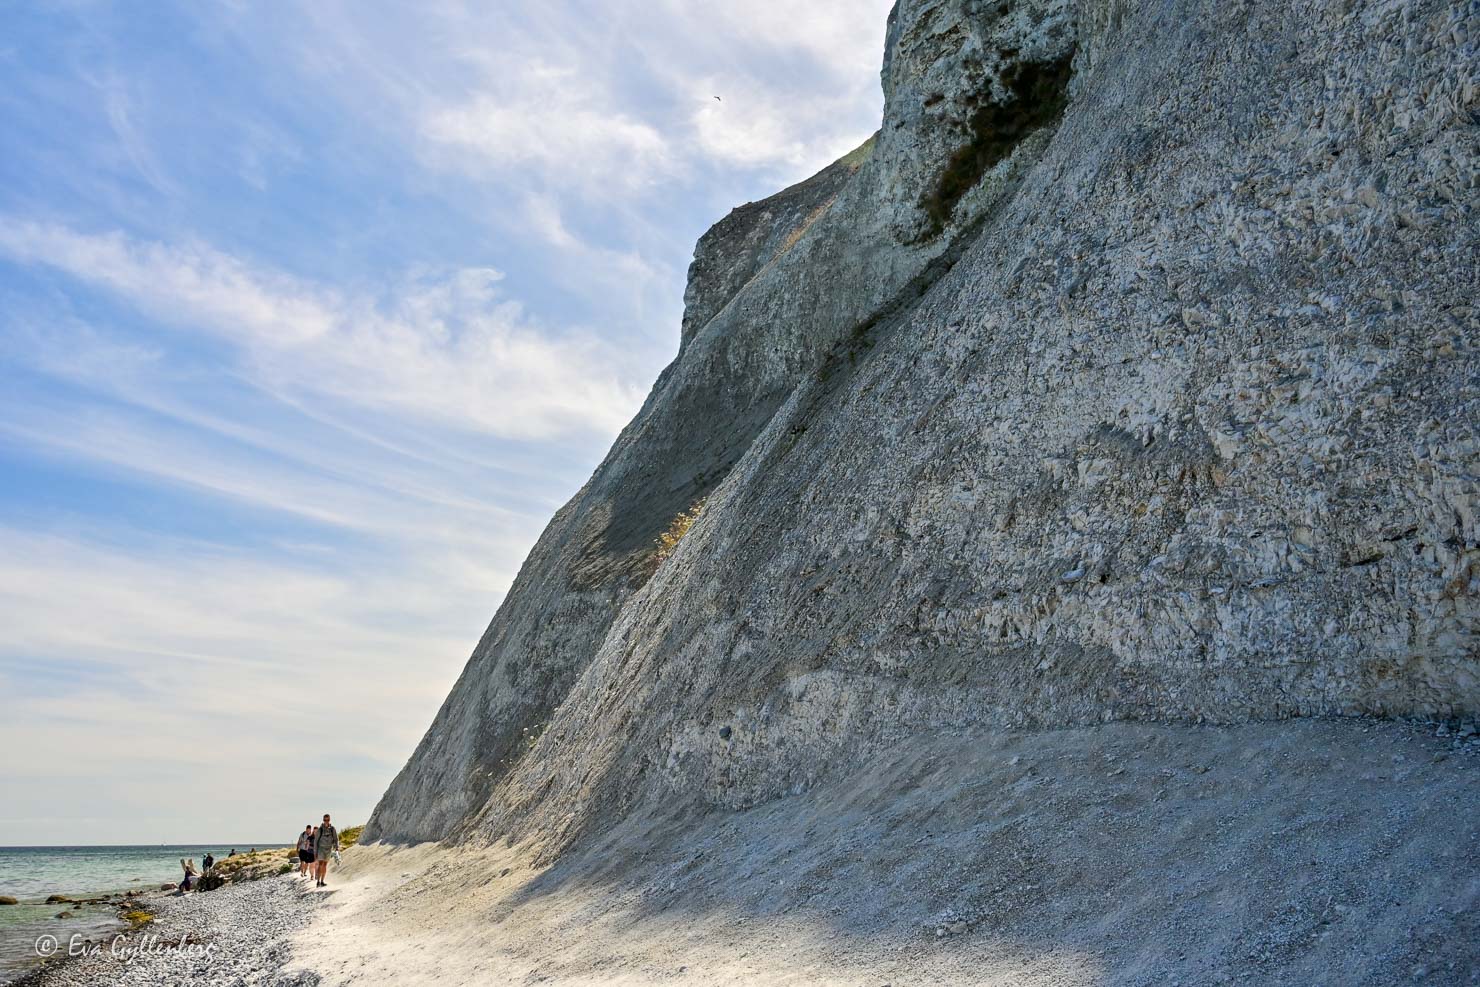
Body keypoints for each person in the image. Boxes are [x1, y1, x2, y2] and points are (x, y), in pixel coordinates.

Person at [314, 813, 339, 887]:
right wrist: (315, 852)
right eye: (325, 820)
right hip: (321, 849)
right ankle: (318, 881)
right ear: (323, 820)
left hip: (329, 849)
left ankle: (322, 881)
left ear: (329, 820)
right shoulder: (320, 829)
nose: (326, 821)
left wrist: (337, 847)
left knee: (325, 865)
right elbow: (316, 841)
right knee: (320, 864)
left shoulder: (332, 829)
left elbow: (336, 839)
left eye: (327, 820)